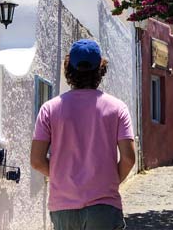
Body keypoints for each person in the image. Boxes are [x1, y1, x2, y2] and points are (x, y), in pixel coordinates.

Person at [31, 39, 136, 230]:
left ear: (68, 68)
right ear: (100, 69)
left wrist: (62, 176)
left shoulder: (49, 109)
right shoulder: (118, 108)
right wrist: (108, 182)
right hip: (104, 205)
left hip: (63, 207)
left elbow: (37, 160)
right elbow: (128, 158)